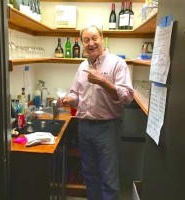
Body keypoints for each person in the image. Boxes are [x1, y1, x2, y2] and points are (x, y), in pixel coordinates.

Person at [60, 24, 134, 200]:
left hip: (107, 128)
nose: (91, 43)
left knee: (109, 180)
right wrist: (68, 99)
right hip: (84, 127)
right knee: (90, 177)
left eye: (94, 38)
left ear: (102, 39)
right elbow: (76, 95)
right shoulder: (82, 66)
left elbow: (128, 97)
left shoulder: (117, 63)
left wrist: (102, 81)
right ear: (82, 43)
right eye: (86, 40)